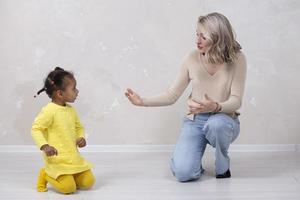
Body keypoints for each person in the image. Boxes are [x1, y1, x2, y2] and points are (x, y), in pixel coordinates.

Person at [125, 12, 247, 181]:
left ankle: (222, 163)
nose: (197, 41)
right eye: (197, 34)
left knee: (216, 124)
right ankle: (190, 162)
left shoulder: (237, 59)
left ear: (218, 38)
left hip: (224, 120)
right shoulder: (191, 58)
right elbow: (171, 95)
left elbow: (236, 100)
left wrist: (216, 107)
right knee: (184, 173)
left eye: (203, 37)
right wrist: (142, 101)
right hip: (195, 121)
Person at [31, 67, 95, 193]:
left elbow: (78, 127)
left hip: (72, 158)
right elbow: (36, 129)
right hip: (57, 160)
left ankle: (70, 175)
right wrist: (44, 146)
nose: (77, 91)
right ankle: (46, 174)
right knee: (68, 188)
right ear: (60, 93)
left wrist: (81, 137)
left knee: (89, 182)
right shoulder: (49, 111)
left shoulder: (71, 110)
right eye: (74, 89)